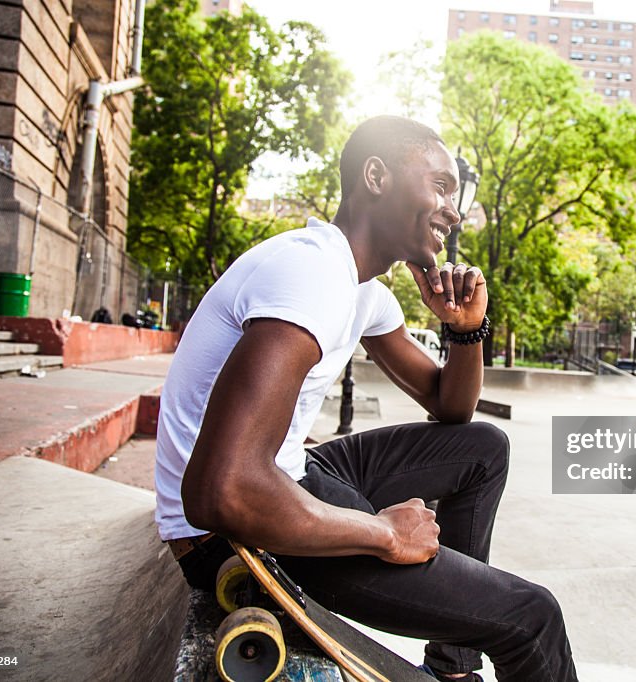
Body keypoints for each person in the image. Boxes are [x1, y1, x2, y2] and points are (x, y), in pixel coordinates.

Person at [154, 116, 577, 682]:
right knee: (533, 617)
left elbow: (450, 409)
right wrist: (384, 534)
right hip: (228, 532)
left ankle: (452, 666)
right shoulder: (313, 271)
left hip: (284, 470)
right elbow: (220, 492)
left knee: (483, 448)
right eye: (440, 186)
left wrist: (465, 329)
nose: (453, 209)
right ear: (376, 176)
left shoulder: (361, 289)